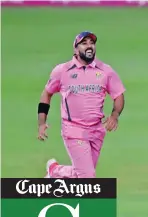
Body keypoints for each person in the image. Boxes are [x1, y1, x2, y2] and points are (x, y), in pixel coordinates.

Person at [39, 31, 126, 178]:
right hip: (74, 129)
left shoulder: (105, 71)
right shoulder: (62, 71)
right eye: (84, 44)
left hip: (97, 130)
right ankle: (85, 201)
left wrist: (115, 115)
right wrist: (42, 123)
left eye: (91, 43)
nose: (89, 46)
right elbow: (46, 93)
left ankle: (55, 171)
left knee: (82, 173)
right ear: (75, 49)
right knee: (87, 177)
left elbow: (118, 95)